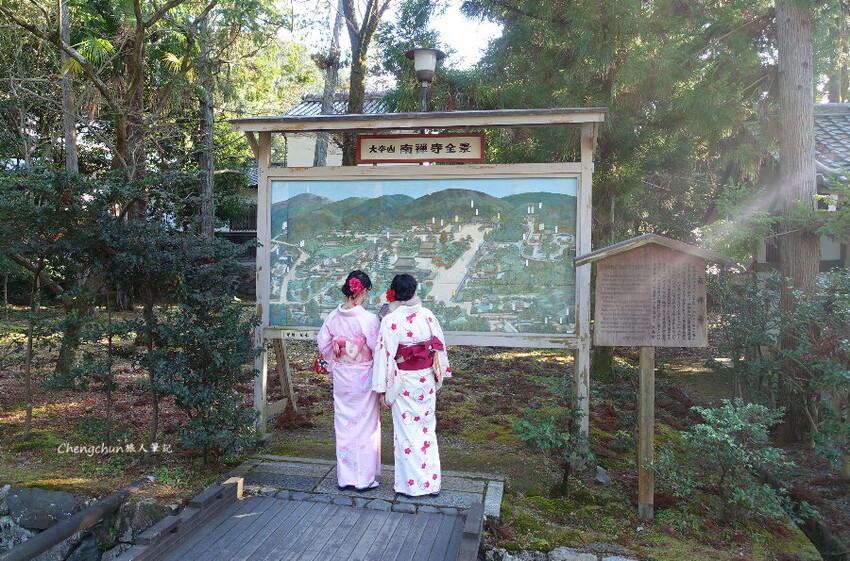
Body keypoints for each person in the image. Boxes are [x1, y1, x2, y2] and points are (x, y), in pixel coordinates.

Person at [372, 274, 451, 497]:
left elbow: (384, 355)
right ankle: (431, 483)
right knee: (427, 429)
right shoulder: (427, 315)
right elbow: (439, 347)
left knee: (406, 432)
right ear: (415, 291)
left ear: (393, 293)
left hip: (403, 381)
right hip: (425, 378)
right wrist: (439, 374)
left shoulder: (391, 320)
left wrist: (381, 389)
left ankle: (411, 486)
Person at [317, 270, 381, 491]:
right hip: (363, 375)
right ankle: (363, 478)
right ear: (364, 291)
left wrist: (333, 363)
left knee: (344, 424)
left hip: (342, 375)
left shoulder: (333, 317)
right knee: (365, 425)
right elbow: (377, 347)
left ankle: (345, 478)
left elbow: (324, 344)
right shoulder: (368, 319)